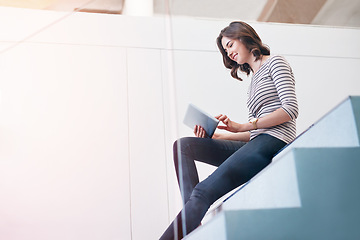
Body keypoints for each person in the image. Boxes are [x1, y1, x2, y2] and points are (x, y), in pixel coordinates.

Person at [159, 21, 298, 240]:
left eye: (230, 45)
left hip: (275, 140)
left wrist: (244, 125)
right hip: (257, 142)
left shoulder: (275, 63)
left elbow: (290, 109)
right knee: (183, 146)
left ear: (244, 37)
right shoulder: (253, 81)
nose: (229, 52)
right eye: (226, 50)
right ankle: (191, 221)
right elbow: (254, 133)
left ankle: (188, 222)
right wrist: (219, 134)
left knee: (203, 192)